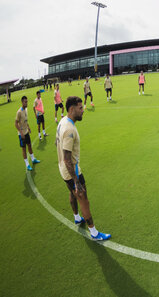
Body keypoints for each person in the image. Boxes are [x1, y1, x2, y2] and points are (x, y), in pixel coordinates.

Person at [56, 96, 111, 241]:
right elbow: (68, 158)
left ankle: (76, 217)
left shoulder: (63, 121)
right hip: (71, 171)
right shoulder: (69, 130)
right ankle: (94, 233)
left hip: (62, 169)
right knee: (83, 199)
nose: (83, 110)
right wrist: (76, 181)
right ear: (72, 109)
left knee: (72, 193)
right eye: (80, 108)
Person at [15, 96, 41, 171]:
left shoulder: (26, 110)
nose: (27, 103)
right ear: (22, 102)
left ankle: (33, 159)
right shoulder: (19, 112)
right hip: (21, 134)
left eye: (27, 101)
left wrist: (28, 127)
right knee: (24, 149)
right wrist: (21, 132)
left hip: (26, 132)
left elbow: (25, 120)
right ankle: (27, 164)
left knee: (29, 145)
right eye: (25, 102)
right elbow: (16, 123)